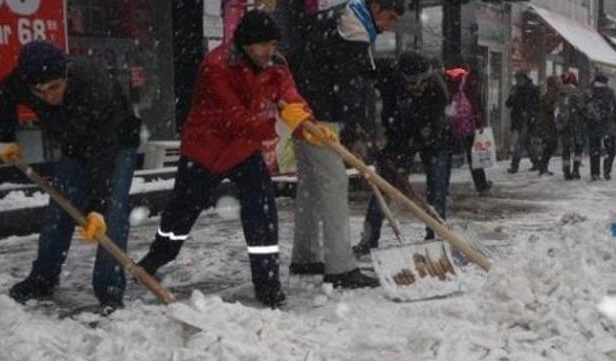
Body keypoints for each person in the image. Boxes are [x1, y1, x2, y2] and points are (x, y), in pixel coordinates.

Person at [136, 11, 333, 308]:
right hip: (206, 151)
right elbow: (236, 119)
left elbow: (290, 96)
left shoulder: (276, 65)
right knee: (180, 215)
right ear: (246, 44)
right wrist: (281, 126)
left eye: (273, 43)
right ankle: (156, 258)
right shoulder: (216, 67)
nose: (270, 50)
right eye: (263, 44)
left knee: (262, 214)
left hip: (243, 150)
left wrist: (309, 124)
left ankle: (268, 286)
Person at [0, 40, 142, 315]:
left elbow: (103, 154)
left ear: (66, 76)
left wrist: (96, 207)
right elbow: (4, 94)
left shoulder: (94, 86)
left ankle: (109, 289)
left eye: (54, 88)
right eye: (39, 91)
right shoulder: (23, 81)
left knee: (112, 214)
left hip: (115, 144)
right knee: (59, 210)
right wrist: (5, 138)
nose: (48, 97)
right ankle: (43, 279)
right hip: (74, 145)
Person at [287, 0, 404, 288]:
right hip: (320, 116)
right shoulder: (353, 31)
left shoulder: (339, 18)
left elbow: (310, 60)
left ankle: (305, 254)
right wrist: (354, 134)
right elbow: (348, 85)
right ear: (376, 8)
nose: (389, 26)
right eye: (389, 18)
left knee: (311, 184)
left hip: (301, 110)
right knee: (334, 181)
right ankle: (340, 266)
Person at [353, 51, 451, 254]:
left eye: (422, 81)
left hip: (433, 137)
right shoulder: (388, 74)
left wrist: (412, 149)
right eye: (412, 82)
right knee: (383, 186)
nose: (418, 87)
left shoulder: (438, 91)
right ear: (401, 77)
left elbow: (431, 129)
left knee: (437, 188)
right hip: (399, 135)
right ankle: (368, 241)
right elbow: (357, 69)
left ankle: (435, 237)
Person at [584, 73, 616, 180]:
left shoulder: (589, 92)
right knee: (609, 149)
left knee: (594, 149)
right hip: (607, 125)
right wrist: (614, 120)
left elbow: (582, 107)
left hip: (593, 125)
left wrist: (588, 119)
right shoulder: (609, 92)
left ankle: (595, 173)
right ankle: (607, 171)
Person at [505, 72, 540, 173]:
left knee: (518, 143)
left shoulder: (531, 89)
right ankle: (536, 162)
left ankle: (514, 165)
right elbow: (508, 104)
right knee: (527, 143)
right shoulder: (516, 89)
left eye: (519, 79)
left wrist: (531, 114)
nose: (518, 81)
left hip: (527, 120)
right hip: (517, 120)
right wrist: (512, 96)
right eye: (516, 79)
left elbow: (536, 105)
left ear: (524, 78)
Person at [557, 71, 585, 180]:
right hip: (576, 123)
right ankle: (576, 170)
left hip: (563, 124)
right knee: (578, 147)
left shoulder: (559, 92)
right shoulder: (577, 92)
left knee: (566, 148)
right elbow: (581, 107)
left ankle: (566, 170)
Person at [534, 75, 562, 176]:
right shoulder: (550, 94)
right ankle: (542, 167)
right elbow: (548, 108)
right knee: (550, 146)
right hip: (549, 125)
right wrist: (556, 106)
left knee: (551, 146)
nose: (560, 84)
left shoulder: (554, 93)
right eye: (558, 83)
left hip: (550, 124)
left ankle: (543, 166)